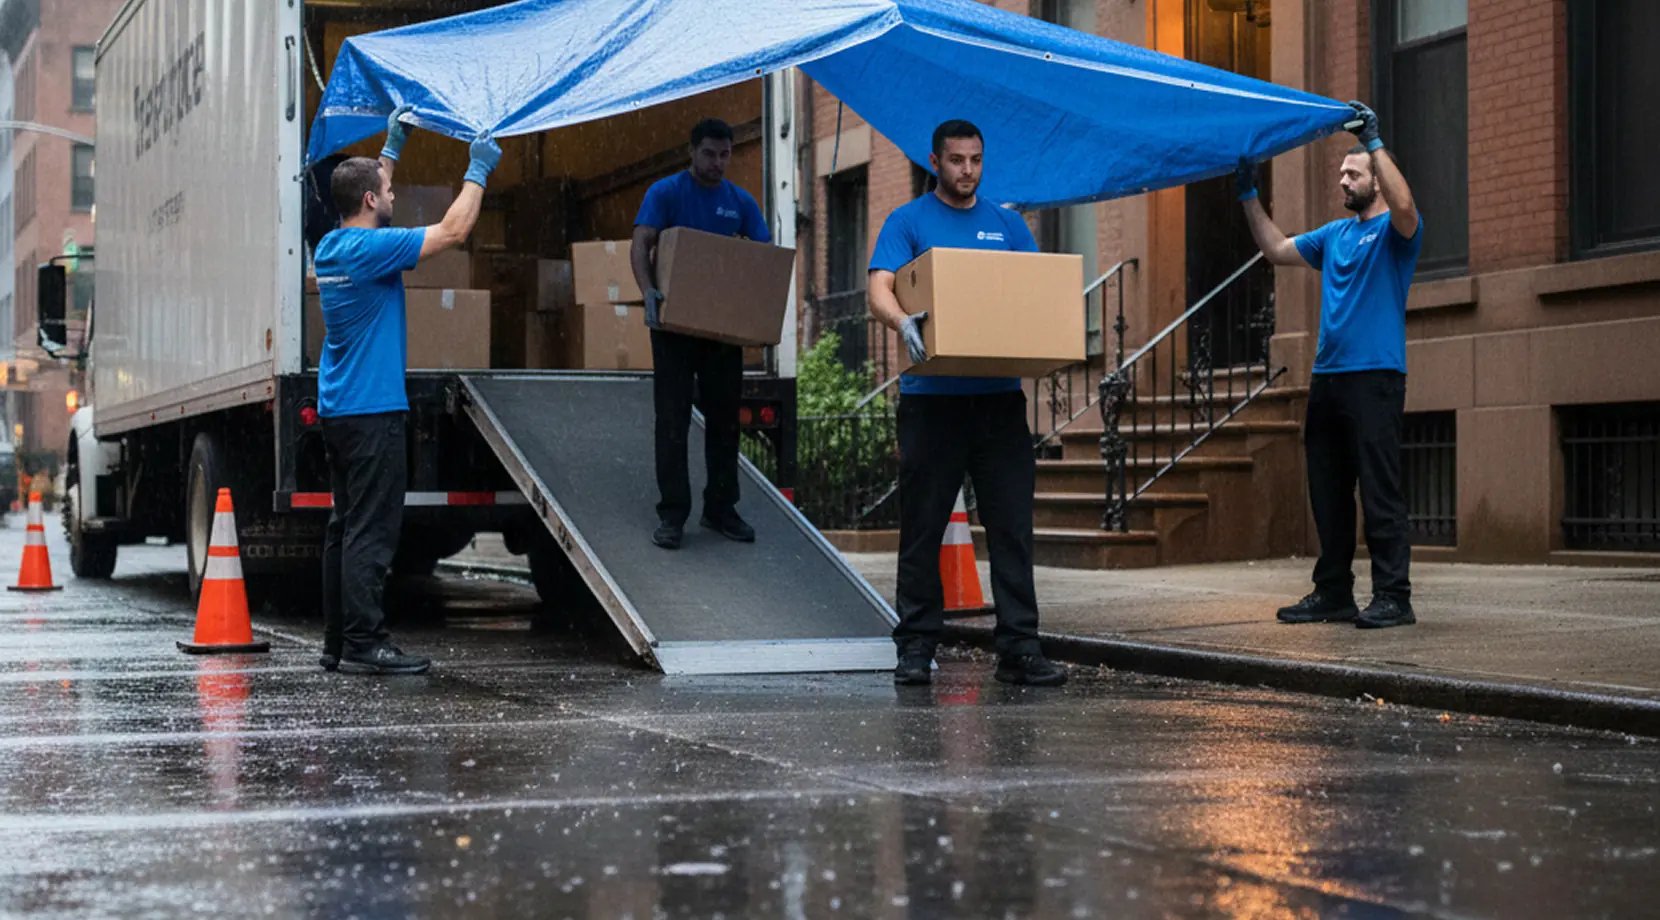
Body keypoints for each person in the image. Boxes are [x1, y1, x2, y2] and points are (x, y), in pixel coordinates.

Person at [866, 119, 1067, 687]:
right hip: (932, 402)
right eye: (956, 160)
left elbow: (1033, 289)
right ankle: (915, 646)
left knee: (1011, 526)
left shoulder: (1007, 224)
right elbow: (879, 285)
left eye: (976, 159)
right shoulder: (908, 222)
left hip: (998, 402)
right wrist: (903, 320)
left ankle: (1020, 648)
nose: (968, 171)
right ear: (936, 161)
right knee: (923, 527)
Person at [316, 106, 501, 673]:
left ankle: (338, 643)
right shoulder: (375, 251)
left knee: (344, 528)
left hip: (339, 409)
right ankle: (366, 644)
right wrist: (480, 168)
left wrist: (392, 145)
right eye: (384, 191)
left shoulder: (330, 248)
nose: (391, 195)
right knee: (373, 531)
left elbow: (376, 189)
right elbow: (454, 230)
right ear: (370, 202)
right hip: (373, 413)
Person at [1238, 101, 1423, 630]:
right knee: (1328, 490)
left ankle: (1394, 596)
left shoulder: (1396, 233)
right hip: (1328, 379)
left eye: (1353, 172)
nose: (1344, 178)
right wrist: (1248, 192)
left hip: (1376, 378)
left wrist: (1374, 142)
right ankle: (1333, 592)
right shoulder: (1332, 237)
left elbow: (1406, 205)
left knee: (1380, 490)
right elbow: (1275, 249)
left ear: (1376, 181)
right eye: (1342, 172)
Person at [631, 118, 771, 550]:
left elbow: (764, 257)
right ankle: (673, 514)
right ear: (692, 152)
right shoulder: (667, 193)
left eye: (725, 154)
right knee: (671, 421)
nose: (717, 162)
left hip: (720, 331)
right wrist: (648, 291)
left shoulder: (740, 202)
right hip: (673, 327)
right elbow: (641, 243)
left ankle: (720, 509)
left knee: (725, 422)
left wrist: (756, 313)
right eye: (709, 153)